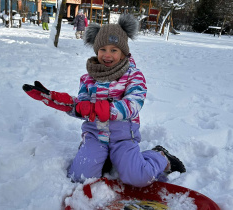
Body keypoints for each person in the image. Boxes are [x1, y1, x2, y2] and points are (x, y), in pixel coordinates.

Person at [22, 14, 186, 188]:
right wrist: (57, 100)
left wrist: (103, 109)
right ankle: (100, 156)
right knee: (81, 177)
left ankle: (160, 157)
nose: (107, 55)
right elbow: (82, 107)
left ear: (123, 53)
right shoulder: (87, 78)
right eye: (102, 49)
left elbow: (134, 104)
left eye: (114, 50)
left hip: (123, 138)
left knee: (138, 177)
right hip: (95, 136)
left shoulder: (134, 76)